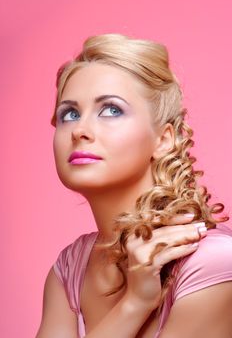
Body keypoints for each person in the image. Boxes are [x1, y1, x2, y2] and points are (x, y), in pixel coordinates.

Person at [36, 34, 232, 338]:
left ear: (163, 139)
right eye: (70, 114)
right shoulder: (70, 269)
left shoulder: (211, 265)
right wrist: (134, 304)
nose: (80, 130)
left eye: (111, 109)